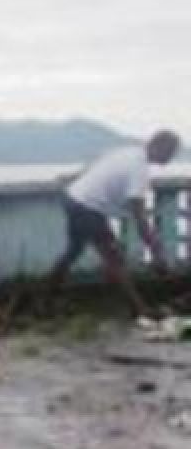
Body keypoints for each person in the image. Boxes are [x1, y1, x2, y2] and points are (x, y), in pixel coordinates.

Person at [46, 131, 180, 316]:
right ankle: (141, 310)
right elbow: (140, 217)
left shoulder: (127, 151)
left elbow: (93, 166)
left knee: (74, 251)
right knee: (115, 259)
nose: (171, 157)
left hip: (73, 197)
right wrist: (157, 254)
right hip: (88, 207)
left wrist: (71, 177)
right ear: (159, 147)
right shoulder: (138, 170)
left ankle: (47, 298)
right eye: (171, 152)